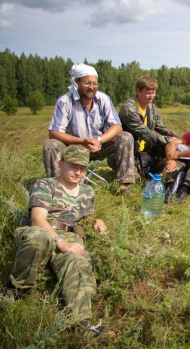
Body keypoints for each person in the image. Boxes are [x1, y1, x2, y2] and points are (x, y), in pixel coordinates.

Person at [7, 145, 115, 340]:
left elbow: (85, 218)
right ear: (60, 164)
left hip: (69, 235)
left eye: (82, 168)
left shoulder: (87, 191)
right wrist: (59, 242)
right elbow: (38, 219)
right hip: (41, 229)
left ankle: (82, 324)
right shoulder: (45, 185)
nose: (78, 172)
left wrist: (96, 220)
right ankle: (16, 290)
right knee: (38, 238)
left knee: (78, 261)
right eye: (73, 166)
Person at [43, 63, 136, 195]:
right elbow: (54, 132)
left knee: (125, 137)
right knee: (51, 144)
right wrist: (82, 141)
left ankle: (123, 186)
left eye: (95, 84)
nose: (92, 87)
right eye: (87, 83)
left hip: (99, 146)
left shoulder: (103, 99)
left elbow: (117, 126)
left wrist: (99, 140)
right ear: (76, 82)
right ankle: (58, 190)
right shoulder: (65, 101)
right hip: (73, 148)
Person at [119, 76, 178, 178]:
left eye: (153, 93)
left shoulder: (152, 108)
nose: (151, 96)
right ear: (138, 90)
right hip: (130, 150)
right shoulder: (129, 109)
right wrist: (168, 140)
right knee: (136, 178)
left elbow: (160, 127)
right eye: (148, 93)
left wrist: (176, 138)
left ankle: (157, 170)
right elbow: (144, 132)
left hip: (147, 149)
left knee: (173, 146)